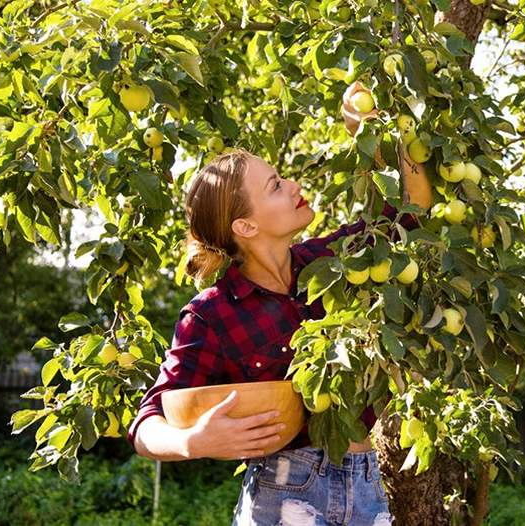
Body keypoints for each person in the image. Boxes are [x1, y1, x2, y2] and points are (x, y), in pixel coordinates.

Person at [126, 82, 433, 525]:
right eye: (274, 186)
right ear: (246, 226)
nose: (293, 185)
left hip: (365, 486)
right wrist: (195, 441)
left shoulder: (332, 263)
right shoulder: (212, 314)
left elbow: (411, 209)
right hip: (283, 495)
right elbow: (147, 422)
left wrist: (371, 130)